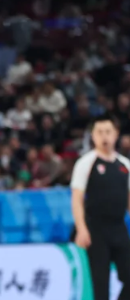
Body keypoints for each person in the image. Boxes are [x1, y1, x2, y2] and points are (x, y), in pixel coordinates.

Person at [71, 115, 130, 300]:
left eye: (108, 132)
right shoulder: (85, 163)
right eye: (100, 132)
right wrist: (81, 229)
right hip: (95, 230)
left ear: (116, 134)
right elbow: (77, 199)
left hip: (119, 228)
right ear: (93, 136)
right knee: (101, 286)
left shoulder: (125, 165)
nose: (104, 136)